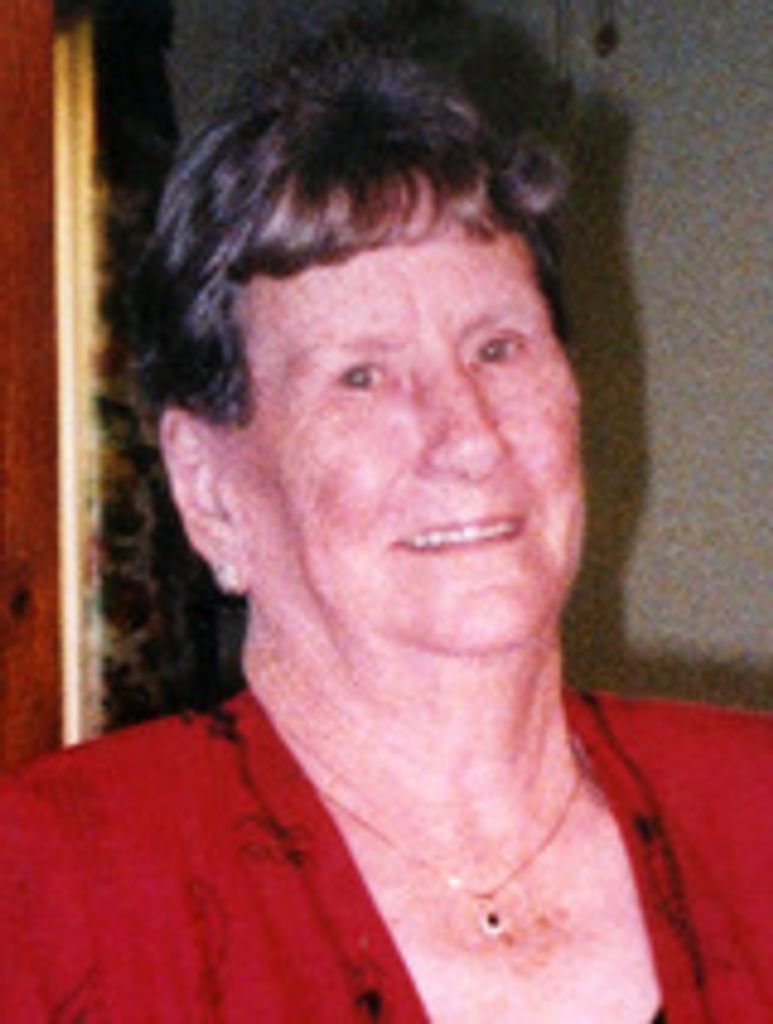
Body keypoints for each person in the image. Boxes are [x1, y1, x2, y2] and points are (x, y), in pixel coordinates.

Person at [1, 33, 771, 1024]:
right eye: (361, 376)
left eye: (496, 348)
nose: (468, 437)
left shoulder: (755, 817)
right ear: (208, 487)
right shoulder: (51, 897)